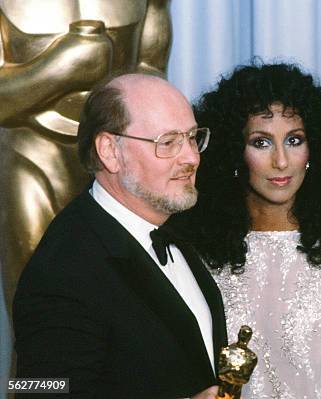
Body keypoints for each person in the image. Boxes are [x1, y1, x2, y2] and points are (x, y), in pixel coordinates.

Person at [12, 74, 226, 399]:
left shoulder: (173, 224)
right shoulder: (63, 268)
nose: (192, 158)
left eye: (193, 137)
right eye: (168, 142)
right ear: (110, 150)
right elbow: (36, 390)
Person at [190, 62, 321, 398]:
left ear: (314, 148)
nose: (281, 161)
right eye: (261, 143)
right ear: (234, 151)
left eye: (294, 140)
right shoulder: (197, 253)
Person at [0, 0, 171, 313]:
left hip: (117, 162)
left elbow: (151, 76)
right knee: (38, 310)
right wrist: (59, 69)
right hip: (32, 158)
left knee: (123, 314)